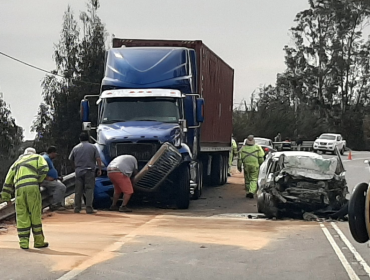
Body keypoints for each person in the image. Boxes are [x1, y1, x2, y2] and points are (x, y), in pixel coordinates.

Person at [1, 148, 50, 249]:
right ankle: (38, 242)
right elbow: (44, 168)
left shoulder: (16, 163)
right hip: (32, 187)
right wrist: (39, 180)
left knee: (22, 215)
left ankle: (24, 243)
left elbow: (8, 181)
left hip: (19, 189)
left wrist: (6, 197)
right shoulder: (37, 157)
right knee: (35, 213)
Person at [69, 132, 102, 214]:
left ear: (80, 139)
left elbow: (70, 159)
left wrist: (75, 167)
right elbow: (98, 159)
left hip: (79, 171)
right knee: (89, 189)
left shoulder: (76, 148)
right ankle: (89, 208)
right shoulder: (93, 147)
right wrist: (100, 169)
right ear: (88, 138)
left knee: (78, 190)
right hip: (89, 171)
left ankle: (77, 208)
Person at [41, 146, 66, 211]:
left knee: (59, 186)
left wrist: (57, 177)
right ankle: (56, 205)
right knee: (61, 187)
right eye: (55, 153)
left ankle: (55, 203)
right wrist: (46, 177)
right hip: (45, 180)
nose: (56, 155)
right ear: (52, 153)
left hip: (51, 179)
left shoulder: (48, 159)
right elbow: (40, 170)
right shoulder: (45, 158)